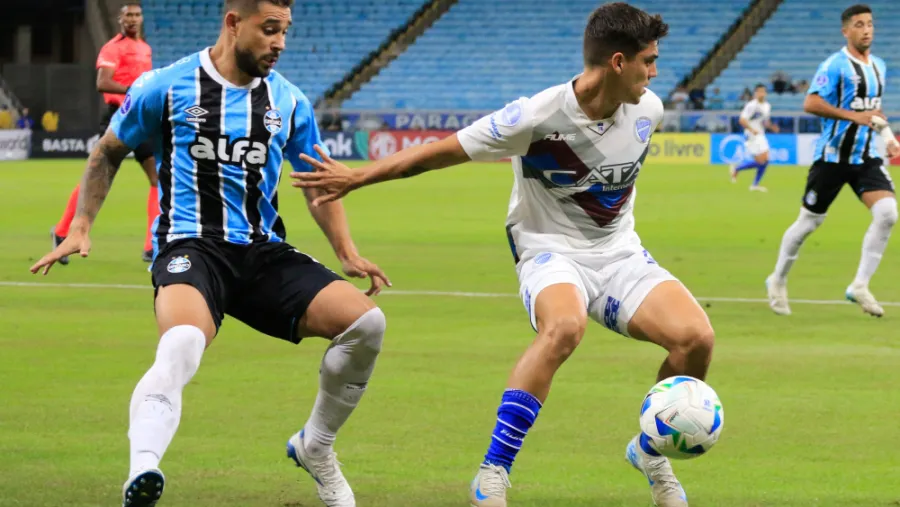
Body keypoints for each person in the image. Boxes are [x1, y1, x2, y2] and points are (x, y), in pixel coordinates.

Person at [292, 3, 714, 507]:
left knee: (696, 339)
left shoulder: (650, 110)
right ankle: (493, 473)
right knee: (564, 328)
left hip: (618, 253)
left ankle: (651, 452)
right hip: (548, 251)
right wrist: (358, 176)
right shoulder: (535, 117)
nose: (657, 72)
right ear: (618, 62)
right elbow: (437, 153)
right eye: (649, 60)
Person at [30, 1, 390, 506]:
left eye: (284, 31)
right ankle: (143, 469)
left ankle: (317, 446)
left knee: (367, 326)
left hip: (263, 252)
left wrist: (347, 253)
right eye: (269, 30)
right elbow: (108, 150)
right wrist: (80, 226)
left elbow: (315, 184)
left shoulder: (288, 102)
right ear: (233, 23)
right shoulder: (166, 85)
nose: (279, 43)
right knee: (182, 343)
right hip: (191, 246)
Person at [766, 4, 899, 317]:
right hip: (831, 158)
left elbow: (873, 113)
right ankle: (778, 279)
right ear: (846, 31)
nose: (866, 29)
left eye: (869, 24)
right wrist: (855, 117)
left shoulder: (879, 66)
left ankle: (859, 285)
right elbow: (811, 102)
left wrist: (888, 137)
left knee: (888, 213)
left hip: (865, 156)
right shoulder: (835, 65)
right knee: (809, 222)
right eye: (859, 24)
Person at [51, 2, 160, 264]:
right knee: (98, 175)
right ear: (120, 20)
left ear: (141, 19)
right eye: (128, 16)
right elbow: (103, 82)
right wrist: (135, 90)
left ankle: (151, 245)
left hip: (141, 117)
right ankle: (62, 231)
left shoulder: (145, 48)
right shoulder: (112, 47)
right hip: (118, 117)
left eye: (137, 15)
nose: (133, 19)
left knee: (157, 178)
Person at [729, 84, 779, 191]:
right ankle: (743, 174)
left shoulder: (767, 106)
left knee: (765, 160)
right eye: (759, 91)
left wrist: (771, 127)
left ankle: (744, 175)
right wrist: (752, 130)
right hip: (751, 135)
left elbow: (765, 121)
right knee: (762, 160)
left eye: (763, 91)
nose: (761, 94)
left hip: (760, 134)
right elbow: (742, 120)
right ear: (755, 93)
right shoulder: (751, 105)